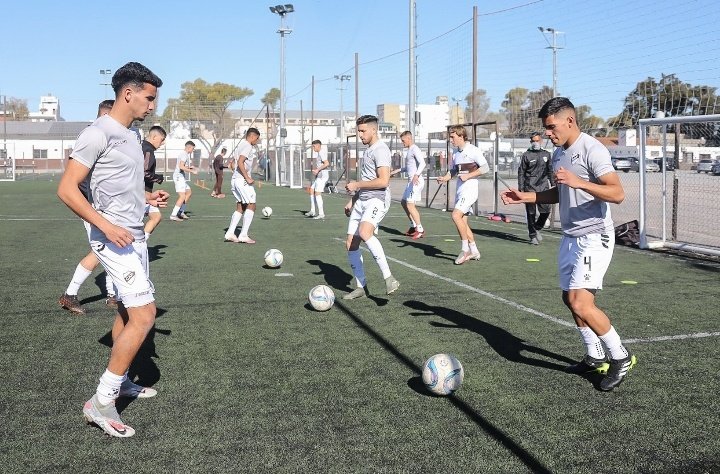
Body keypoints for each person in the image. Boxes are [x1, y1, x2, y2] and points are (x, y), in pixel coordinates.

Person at [57, 62, 168, 437]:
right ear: (129, 93)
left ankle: (118, 383)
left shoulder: (132, 136)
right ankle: (101, 403)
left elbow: (123, 186)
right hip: (112, 237)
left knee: (127, 308)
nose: (153, 105)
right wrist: (105, 225)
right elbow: (67, 189)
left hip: (134, 234)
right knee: (144, 316)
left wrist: (150, 196)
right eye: (149, 97)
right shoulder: (98, 132)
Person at [500, 97, 635, 392]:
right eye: (546, 128)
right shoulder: (560, 153)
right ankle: (593, 355)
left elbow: (617, 193)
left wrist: (580, 182)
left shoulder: (592, 149)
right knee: (568, 300)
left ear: (569, 121)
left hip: (594, 235)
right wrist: (528, 197)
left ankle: (621, 356)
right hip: (570, 236)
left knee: (580, 302)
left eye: (551, 127)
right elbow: (560, 193)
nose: (548, 133)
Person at [58, 99, 118, 314]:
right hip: (92, 206)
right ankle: (71, 294)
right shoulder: (93, 135)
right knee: (103, 250)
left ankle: (113, 295)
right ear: (104, 116)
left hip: (105, 205)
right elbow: (69, 183)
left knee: (112, 247)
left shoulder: (107, 135)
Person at [342, 115, 399, 300]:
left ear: (374, 130)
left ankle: (389, 278)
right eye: (358, 131)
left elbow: (383, 181)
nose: (360, 135)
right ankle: (361, 286)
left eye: (362, 131)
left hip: (377, 199)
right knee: (351, 243)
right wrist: (353, 200)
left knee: (365, 233)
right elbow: (368, 179)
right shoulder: (368, 150)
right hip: (362, 200)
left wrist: (357, 185)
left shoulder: (381, 150)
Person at [436, 125, 490, 265]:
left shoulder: (473, 150)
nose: (451, 139)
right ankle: (474, 250)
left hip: (470, 189)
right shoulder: (455, 153)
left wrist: (469, 176)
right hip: (460, 190)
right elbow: (453, 171)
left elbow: (485, 168)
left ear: (461, 136)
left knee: (455, 215)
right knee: (463, 222)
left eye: (453, 137)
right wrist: (445, 178)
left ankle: (465, 250)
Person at [224, 128, 261, 244]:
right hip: (242, 180)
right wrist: (247, 177)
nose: (257, 141)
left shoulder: (241, 145)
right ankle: (243, 235)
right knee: (252, 204)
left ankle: (230, 233)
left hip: (236, 179)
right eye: (257, 138)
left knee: (241, 207)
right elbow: (240, 162)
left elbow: (236, 162)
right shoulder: (248, 146)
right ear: (253, 136)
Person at [390, 131, 427, 239]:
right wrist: (396, 171)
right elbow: (409, 168)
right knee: (403, 202)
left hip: (416, 181)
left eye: (403, 140)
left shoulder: (414, 148)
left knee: (410, 205)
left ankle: (420, 229)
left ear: (409, 138)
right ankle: (413, 225)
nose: (402, 142)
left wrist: (416, 175)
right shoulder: (409, 150)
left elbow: (423, 163)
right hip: (411, 182)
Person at [518, 132, 553, 245]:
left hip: (543, 187)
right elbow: (521, 172)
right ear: (530, 142)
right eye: (533, 141)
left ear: (541, 141)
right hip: (530, 188)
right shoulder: (526, 155)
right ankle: (532, 235)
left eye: (537, 140)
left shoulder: (547, 154)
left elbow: (550, 170)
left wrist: (552, 183)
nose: (535, 143)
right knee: (531, 213)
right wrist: (521, 188)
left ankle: (537, 227)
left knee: (546, 211)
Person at [142, 125, 167, 240]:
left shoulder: (141, 147)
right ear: (154, 137)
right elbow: (144, 172)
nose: (162, 143)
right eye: (161, 140)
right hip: (141, 193)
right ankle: (138, 245)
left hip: (140, 191)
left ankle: (140, 242)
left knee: (156, 216)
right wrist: (158, 178)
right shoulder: (148, 150)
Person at [170, 141, 197, 221]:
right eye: (193, 148)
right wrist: (192, 171)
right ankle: (173, 215)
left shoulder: (185, 155)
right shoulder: (184, 154)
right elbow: (181, 166)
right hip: (179, 177)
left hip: (181, 176)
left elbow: (183, 166)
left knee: (188, 192)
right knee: (182, 196)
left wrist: (190, 167)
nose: (193, 150)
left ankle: (180, 212)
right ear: (189, 147)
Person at [306, 139, 329, 219]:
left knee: (317, 193)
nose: (313, 148)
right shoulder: (319, 153)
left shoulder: (322, 152)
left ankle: (321, 213)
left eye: (314, 146)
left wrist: (317, 170)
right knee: (312, 190)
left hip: (323, 176)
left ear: (318, 145)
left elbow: (327, 163)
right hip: (320, 175)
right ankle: (312, 211)